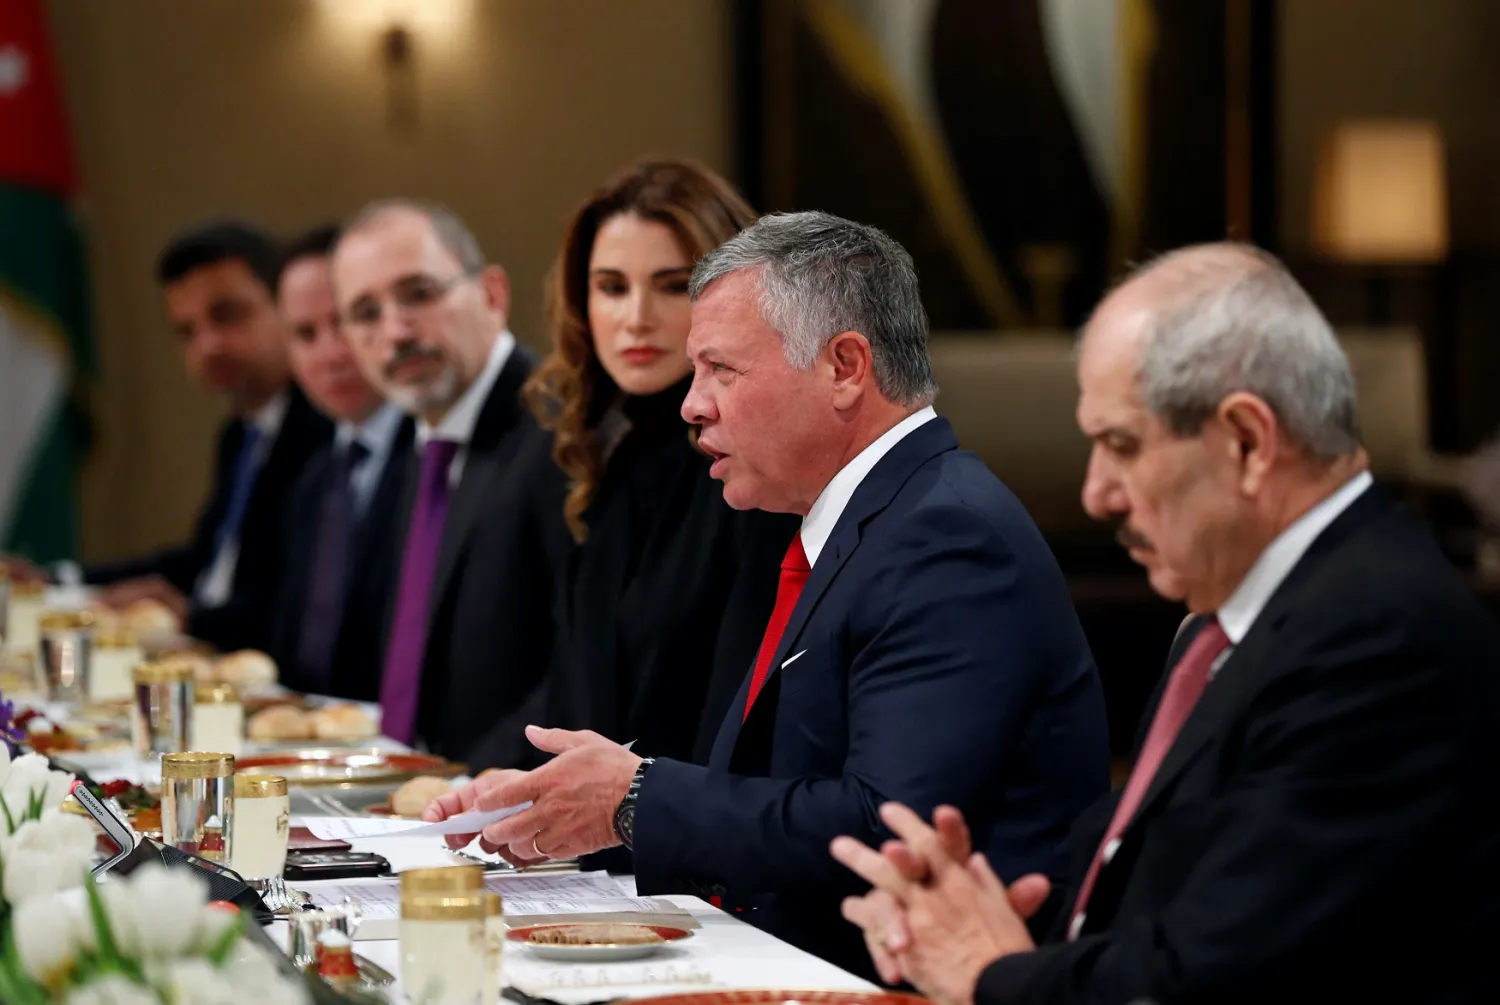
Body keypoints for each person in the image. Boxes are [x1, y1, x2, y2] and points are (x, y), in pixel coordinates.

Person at [426, 211, 1110, 976]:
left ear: (846, 366)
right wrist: (596, 794)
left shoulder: (945, 536)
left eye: (722, 369)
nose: (692, 404)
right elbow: (796, 783)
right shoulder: (876, 516)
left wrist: (636, 798)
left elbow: (883, 830)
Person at [831, 243, 1500, 1005]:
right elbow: (1164, 890)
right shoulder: (1238, 622)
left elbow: (1215, 971)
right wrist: (973, 912)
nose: (1096, 493)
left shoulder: (1379, 636)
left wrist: (990, 975)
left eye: (1120, 444)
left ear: (1247, 442)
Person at [520, 159, 798, 769]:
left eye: (675, 285)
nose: (636, 318)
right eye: (612, 287)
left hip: (689, 846)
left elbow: (740, 743)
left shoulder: (762, 481)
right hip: (597, 850)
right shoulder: (605, 466)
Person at [4, 219, 331, 651]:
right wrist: (58, 578)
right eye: (186, 331)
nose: (207, 346)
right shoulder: (242, 432)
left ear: (286, 307)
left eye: (227, 315)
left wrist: (190, 617)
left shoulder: (329, 433)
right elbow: (204, 561)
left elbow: (304, 605)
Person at [332, 199, 569, 767]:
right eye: (366, 313)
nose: (396, 330)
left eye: (418, 294)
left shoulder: (559, 433)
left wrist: (464, 785)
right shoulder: (423, 442)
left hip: (509, 801)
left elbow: (582, 670)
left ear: (492, 294)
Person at [267, 224, 413, 699]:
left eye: (347, 321)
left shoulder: (436, 463)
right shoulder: (311, 480)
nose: (330, 354)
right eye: (305, 334)